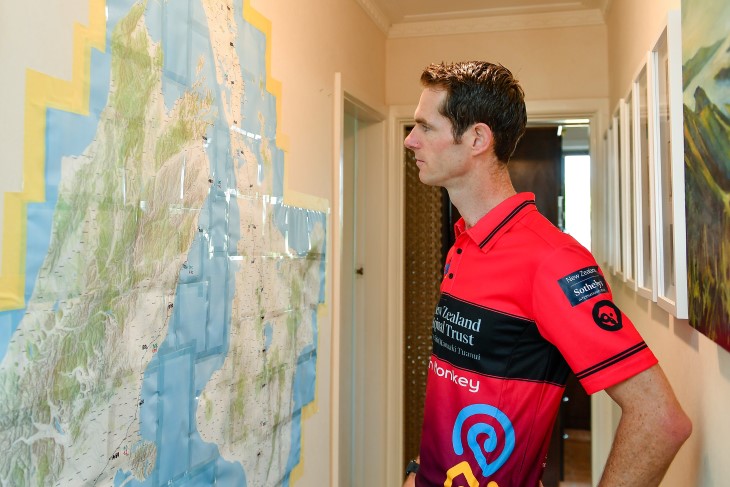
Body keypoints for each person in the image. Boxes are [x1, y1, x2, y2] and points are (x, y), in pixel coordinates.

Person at [401, 61, 691, 487]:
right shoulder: (464, 241)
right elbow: (459, 387)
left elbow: (660, 419)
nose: (410, 140)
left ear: (478, 138)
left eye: (425, 127)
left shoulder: (553, 261)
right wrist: (420, 471)